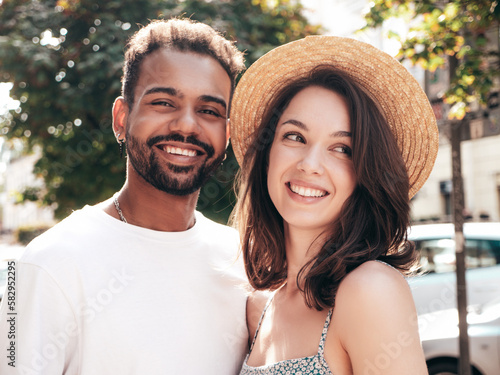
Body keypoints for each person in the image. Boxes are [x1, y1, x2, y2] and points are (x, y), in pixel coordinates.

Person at [0, 18, 248, 374]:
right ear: (121, 117)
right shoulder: (49, 262)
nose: (187, 126)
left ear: (226, 134)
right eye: (164, 103)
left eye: (209, 111)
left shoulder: (243, 260)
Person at [230, 36, 439, 374]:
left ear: (366, 174)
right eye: (295, 137)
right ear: (267, 153)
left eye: (342, 148)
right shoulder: (261, 307)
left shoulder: (369, 290)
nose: (310, 164)